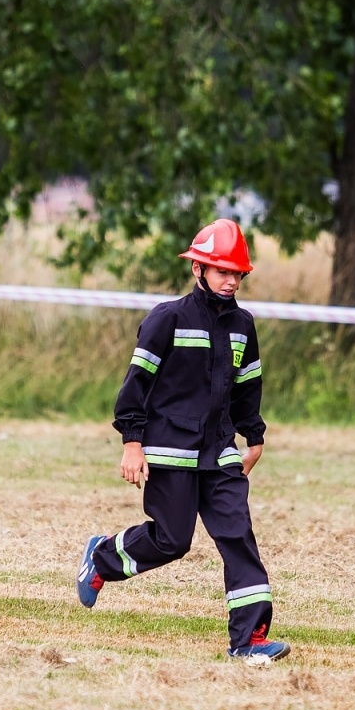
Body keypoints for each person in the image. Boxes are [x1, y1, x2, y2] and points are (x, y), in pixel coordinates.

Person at [75, 218, 288, 661]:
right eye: (222, 271)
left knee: (237, 535)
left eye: (237, 274)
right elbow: (136, 385)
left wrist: (254, 436)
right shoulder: (166, 318)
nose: (231, 281)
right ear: (198, 269)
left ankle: (249, 639)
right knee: (172, 540)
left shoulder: (243, 325)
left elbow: (247, 386)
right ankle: (103, 557)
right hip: (169, 449)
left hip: (220, 452)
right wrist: (132, 442)